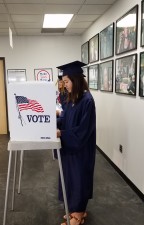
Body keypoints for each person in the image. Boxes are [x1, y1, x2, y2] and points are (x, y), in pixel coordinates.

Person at [56, 61, 96, 225]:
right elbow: (65, 117)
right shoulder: (72, 98)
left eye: (66, 81)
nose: (64, 85)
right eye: (63, 82)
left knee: (79, 178)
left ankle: (78, 215)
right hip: (69, 146)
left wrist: (62, 133)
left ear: (76, 80)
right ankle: (75, 210)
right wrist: (56, 118)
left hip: (81, 149)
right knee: (69, 178)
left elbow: (83, 130)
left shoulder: (87, 100)